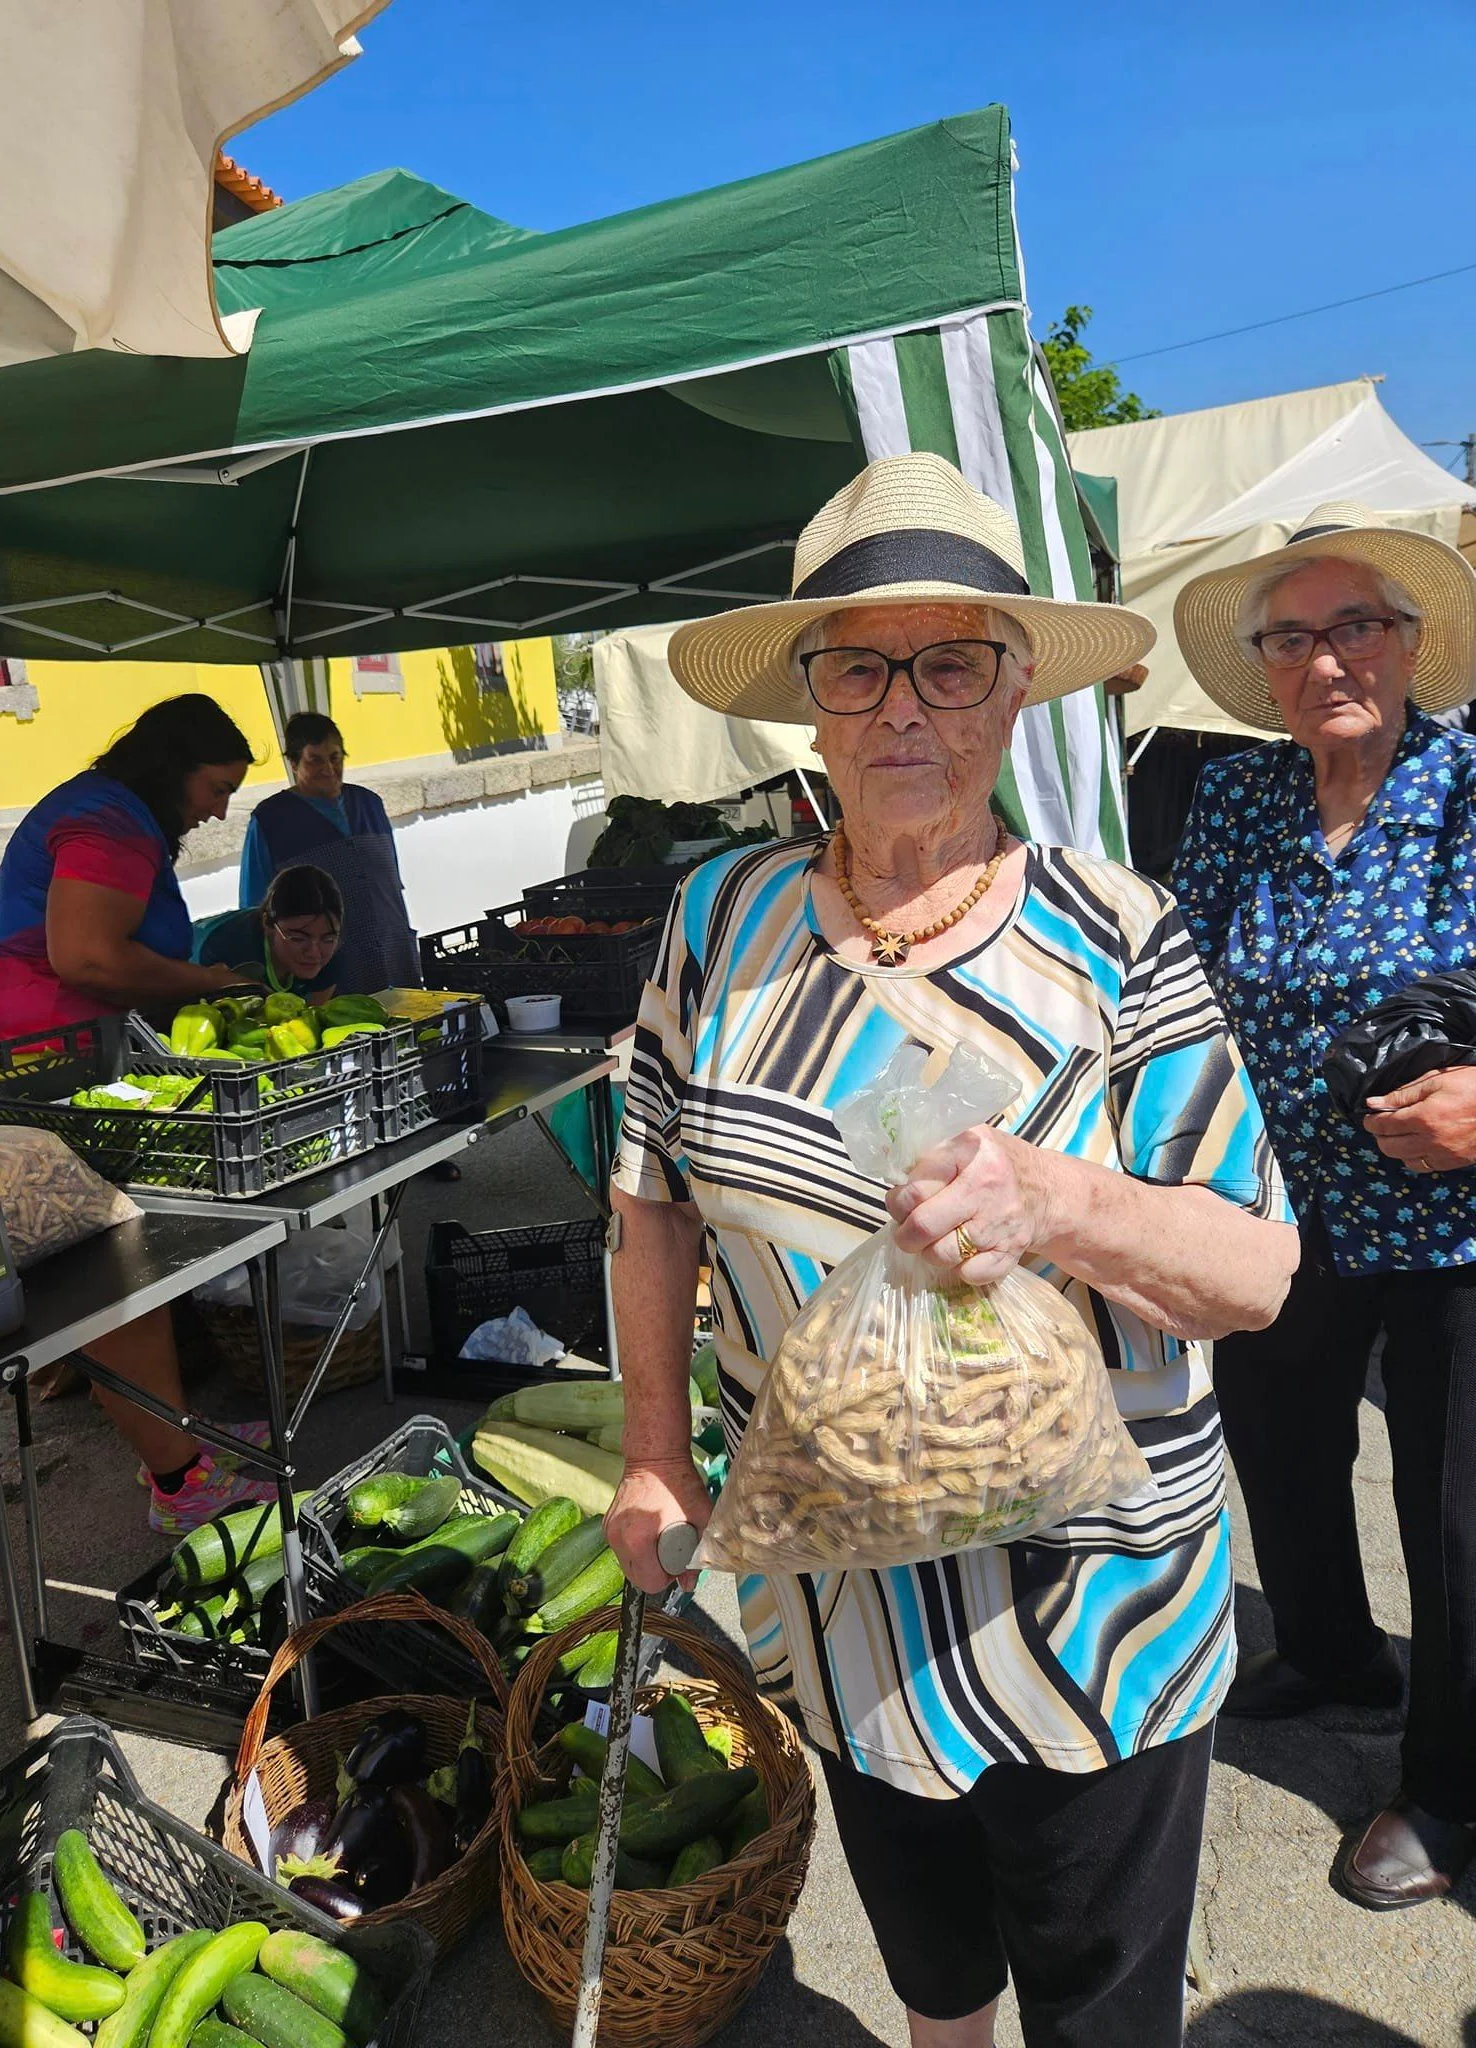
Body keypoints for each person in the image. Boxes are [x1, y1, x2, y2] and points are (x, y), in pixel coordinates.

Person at [606, 454, 1298, 2048]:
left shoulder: (1119, 932)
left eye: (952, 661)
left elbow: (1253, 1272)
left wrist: (1060, 1205)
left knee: (1098, 2002)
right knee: (934, 1976)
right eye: (859, 662)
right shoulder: (717, 921)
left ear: (1013, 695)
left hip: (1093, 1608)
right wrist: (653, 1451)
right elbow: (649, 1194)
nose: (904, 704)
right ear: (811, 698)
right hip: (839, 1598)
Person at [1170, 502, 1476, 1909]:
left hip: (1456, 1231)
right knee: (1280, 1451)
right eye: (1292, 638)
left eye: (1356, 625)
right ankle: (1334, 1652)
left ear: (1412, 646)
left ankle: (1452, 1789)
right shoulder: (1238, 799)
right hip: (1278, 1214)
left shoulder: (1471, 781)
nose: (1326, 659)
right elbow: (1173, 987)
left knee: (1458, 1511)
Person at [0, 694, 276, 1534]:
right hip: (46, 1071)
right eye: (216, 786)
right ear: (173, 765)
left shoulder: (109, 810)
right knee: (117, 1267)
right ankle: (181, 1485)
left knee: (118, 1263)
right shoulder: (108, 819)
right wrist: (213, 984)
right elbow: (90, 954)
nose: (219, 808)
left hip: (58, 1062)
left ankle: (181, 1440)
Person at [240, 712, 418, 994]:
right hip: (326, 977)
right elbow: (254, 908)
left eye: (335, 758)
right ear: (294, 763)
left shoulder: (370, 804)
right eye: (315, 760)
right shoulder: (270, 820)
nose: (329, 769)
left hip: (395, 960)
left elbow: (391, 887)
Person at [194, 864, 344, 1002]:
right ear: (267, 923)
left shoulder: (332, 952)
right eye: (298, 939)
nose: (314, 953)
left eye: (328, 939)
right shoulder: (226, 952)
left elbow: (315, 1016)